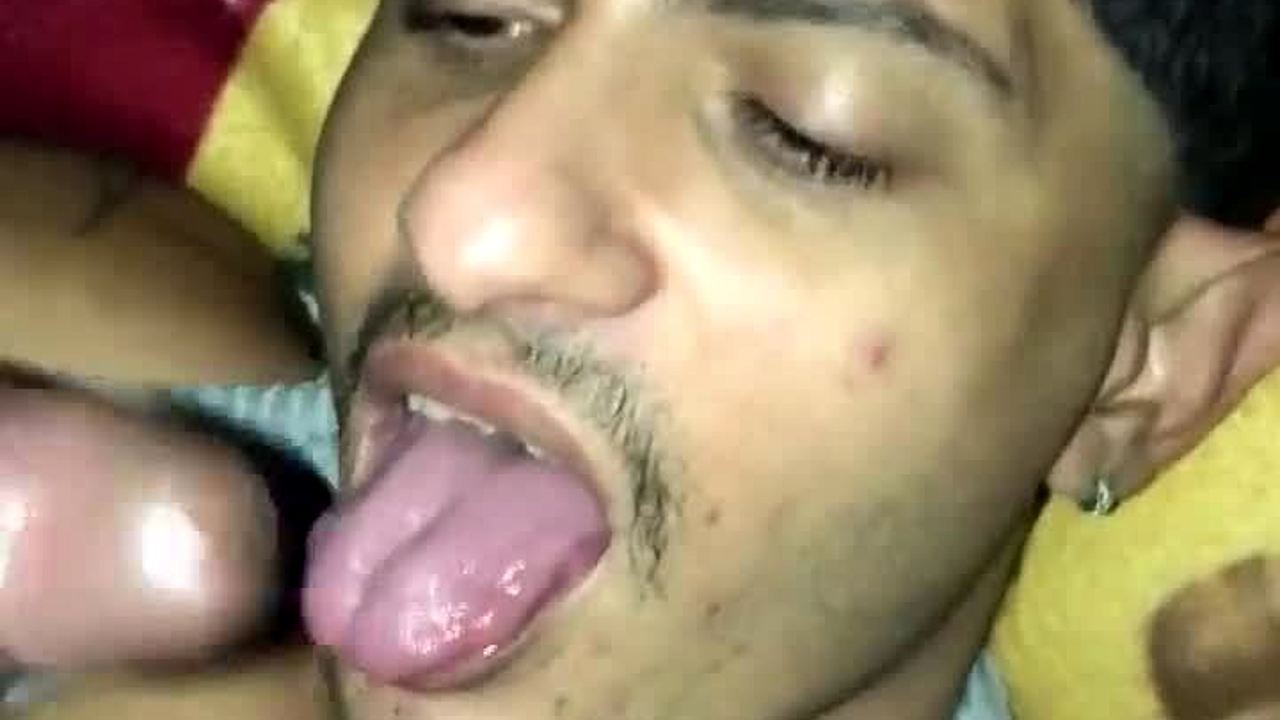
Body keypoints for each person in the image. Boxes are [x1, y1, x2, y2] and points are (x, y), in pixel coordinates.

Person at [2, 0, 1278, 719]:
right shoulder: (100, 361)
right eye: (468, 14)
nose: (465, 216)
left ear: (1153, 365)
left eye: (803, 134)